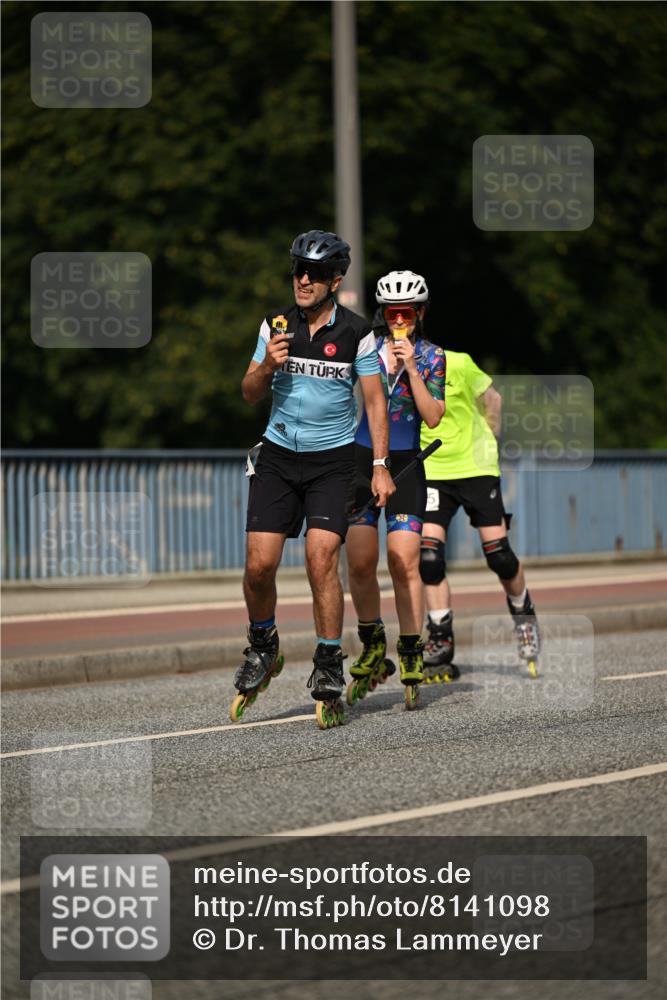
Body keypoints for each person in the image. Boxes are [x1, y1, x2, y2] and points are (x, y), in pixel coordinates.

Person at [231, 230, 395, 728]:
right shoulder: (276, 324)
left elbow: (373, 401)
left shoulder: (356, 332)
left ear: (335, 280)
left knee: (321, 558)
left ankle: (327, 665)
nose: (303, 279)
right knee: (260, 566)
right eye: (298, 269)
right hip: (278, 458)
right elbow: (248, 392)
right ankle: (264, 646)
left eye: (315, 273)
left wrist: (381, 465)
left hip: (332, 463)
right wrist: (267, 365)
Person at [346, 271, 446, 708]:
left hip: (407, 464)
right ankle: (372, 642)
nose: (398, 320)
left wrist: (409, 366)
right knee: (361, 561)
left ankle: (411, 649)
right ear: (382, 314)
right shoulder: (364, 348)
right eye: (391, 313)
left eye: (406, 312)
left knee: (404, 558)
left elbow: (433, 416)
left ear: (420, 313)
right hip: (360, 461)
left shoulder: (431, 355)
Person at [419, 349, 540, 678]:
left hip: (475, 467)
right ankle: (440, 637)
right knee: (429, 557)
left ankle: (523, 612)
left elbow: (493, 399)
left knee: (499, 555)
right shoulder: (396, 368)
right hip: (433, 470)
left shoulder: (457, 361)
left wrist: (489, 437)